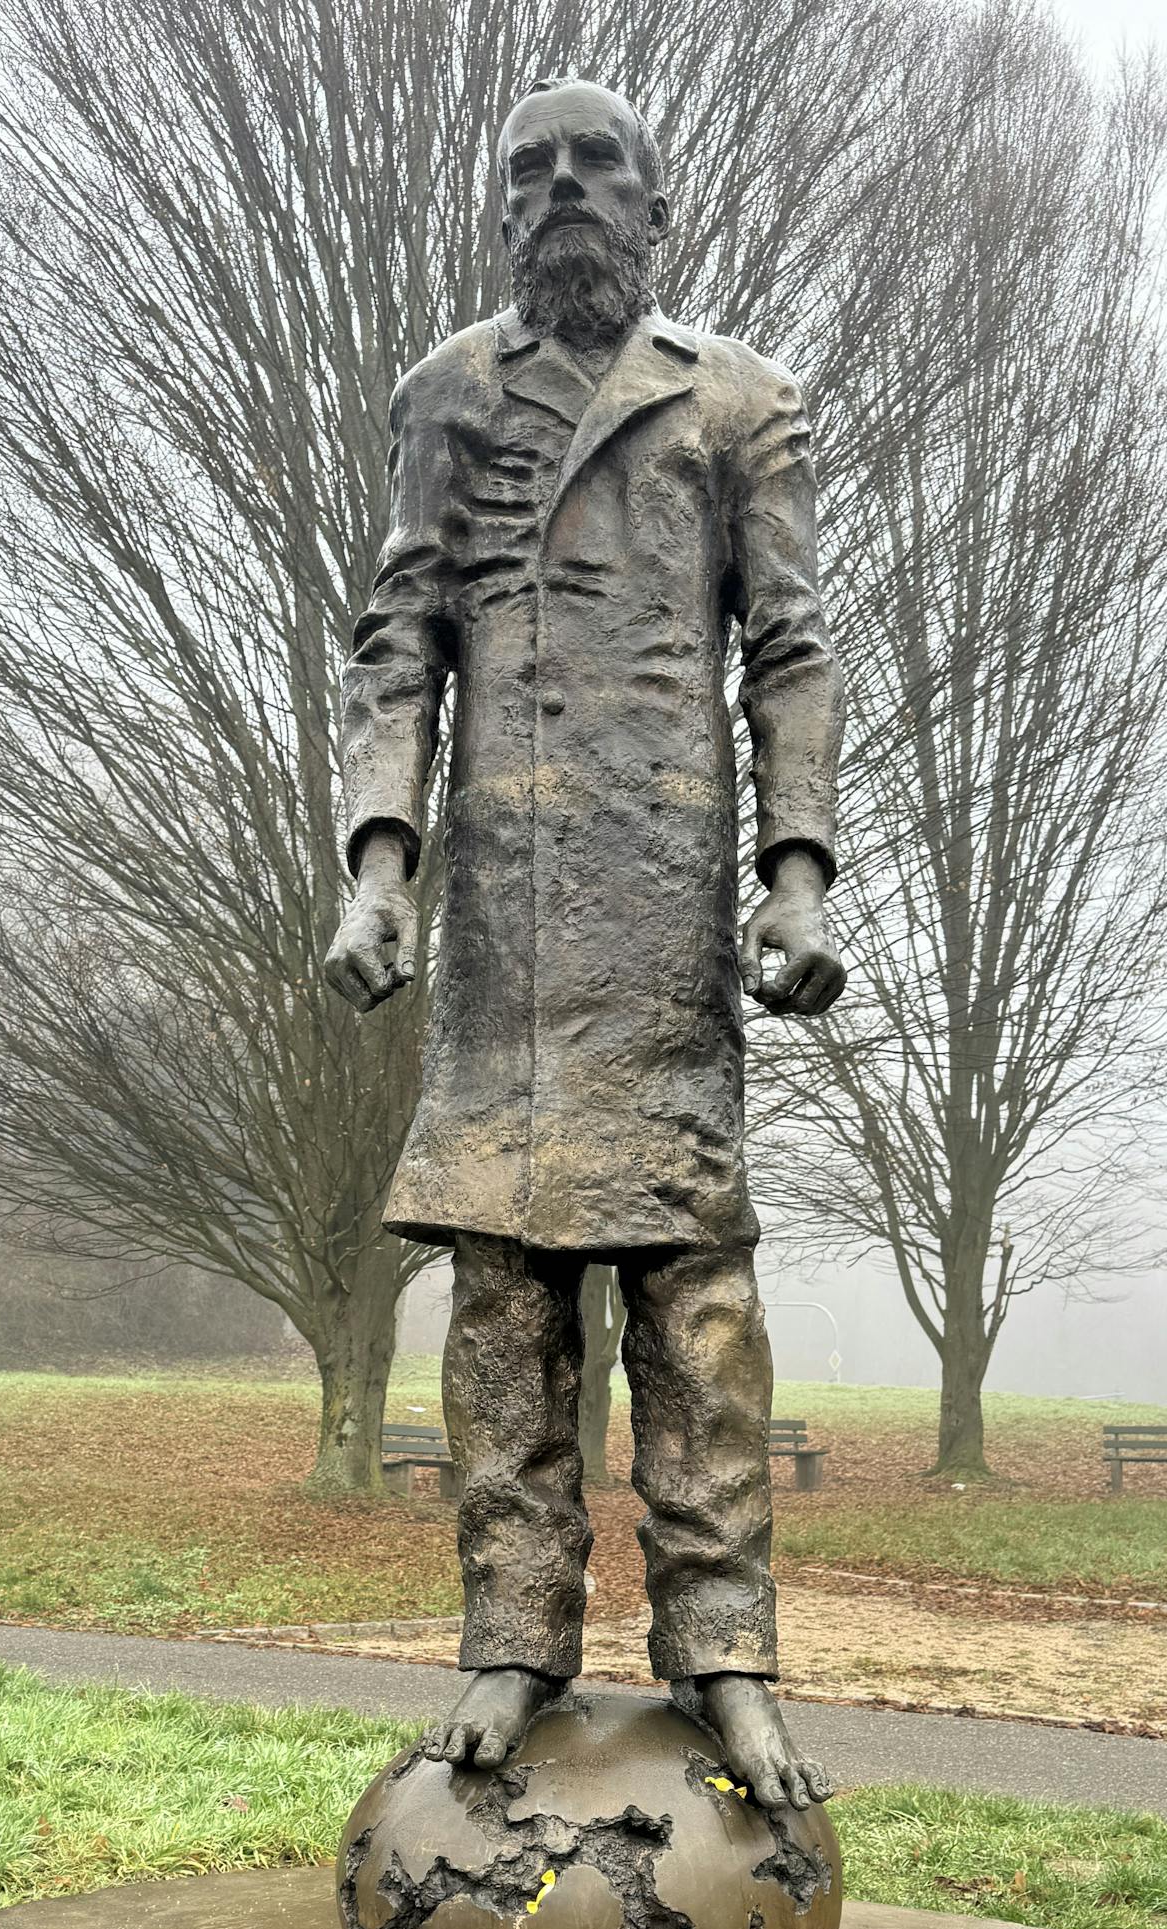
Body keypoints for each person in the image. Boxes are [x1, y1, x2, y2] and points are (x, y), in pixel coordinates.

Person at [327, 76, 843, 1808]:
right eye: (528, 168)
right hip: (502, 945)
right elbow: (399, 642)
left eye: (594, 165)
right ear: (500, 215)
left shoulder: (739, 402)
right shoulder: (446, 398)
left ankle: (728, 1655)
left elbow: (788, 650)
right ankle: (510, 1639)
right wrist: (380, 866)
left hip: (664, 929)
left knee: (697, 1306)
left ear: (651, 205)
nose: (561, 192)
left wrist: (798, 872)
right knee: (501, 1302)